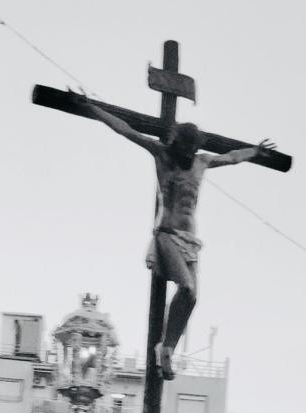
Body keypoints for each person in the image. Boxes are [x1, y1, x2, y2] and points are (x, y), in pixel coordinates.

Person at [79, 93, 274, 380]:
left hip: (190, 240)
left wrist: (254, 152)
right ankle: (164, 349)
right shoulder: (161, 154)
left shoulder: (202, 163)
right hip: (167, 233)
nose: (186, 155)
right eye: (183, 148)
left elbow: (232, 157)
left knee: (192, 296)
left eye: (190, 150)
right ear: (176, 143)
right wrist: (92, 108)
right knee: (185, 287)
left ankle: (167, 348)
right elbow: (125, 130)